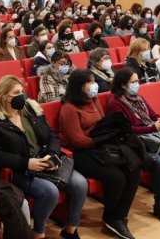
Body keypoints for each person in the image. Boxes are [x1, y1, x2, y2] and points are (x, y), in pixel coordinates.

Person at [0, 75, 87, 239]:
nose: (21, 96)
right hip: (21, 169)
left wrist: (53, 155)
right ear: (4, 96)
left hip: (45, 161)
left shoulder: (31, 110)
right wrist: (26, 163)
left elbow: (52, 136)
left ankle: (70, 230)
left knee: (80, 184)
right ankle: (38, 232)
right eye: (16, 93)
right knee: (50, 192)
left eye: (22, 91)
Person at [59, 69, 139, 238]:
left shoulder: (93, 100)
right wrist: (100, 137)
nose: (95, 85)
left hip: (97, 146)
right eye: (91, 82)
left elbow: (104, 124)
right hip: (78, 153)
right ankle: (110, 217)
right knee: (116, 177)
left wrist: (105, 135)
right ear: (81, 86)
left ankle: (119, 216)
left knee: (133, 167)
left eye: (94, 81)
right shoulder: (69, 108)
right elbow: (78, 140)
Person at [107, 68, 160, 225]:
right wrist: (153, 128)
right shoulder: (115, 103)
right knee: (158, 162)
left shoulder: (138, 98)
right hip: (134, 142)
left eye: (137, 81)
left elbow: (153, 115)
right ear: (123, 85)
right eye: (133, 82)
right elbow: (126, 130)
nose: (137, 84)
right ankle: (159, 205)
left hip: (153, 136)